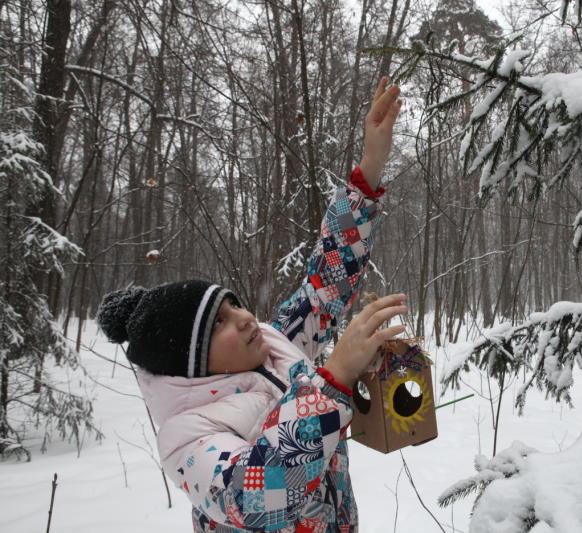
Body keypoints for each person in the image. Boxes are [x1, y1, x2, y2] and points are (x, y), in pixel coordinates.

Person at [97, 77, 404, 533]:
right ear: (193, 363)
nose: (243, 318)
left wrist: (370, 168)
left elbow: (328, 282)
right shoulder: (188, 438)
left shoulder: (278, 343)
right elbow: (256, 495)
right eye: (219, 321)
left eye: (234, 304)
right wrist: (332, 379)